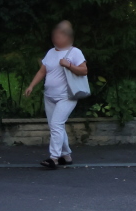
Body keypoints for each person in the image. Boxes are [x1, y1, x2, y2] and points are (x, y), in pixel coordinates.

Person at [23, 20, 88, 169]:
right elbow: (42, 71)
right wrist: (31, 86)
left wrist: (69, 65)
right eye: (54, 36)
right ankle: (66, 156)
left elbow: (84, 70)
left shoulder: (75, 52)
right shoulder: (51, 52)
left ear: (67, 38)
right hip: (49, 96)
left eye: (59, 36)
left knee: (56, 124)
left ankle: (54, 158)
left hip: (67, 96)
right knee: (56, 126)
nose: (55, 39)